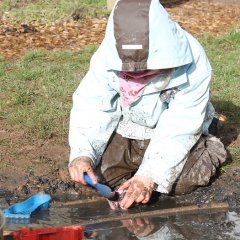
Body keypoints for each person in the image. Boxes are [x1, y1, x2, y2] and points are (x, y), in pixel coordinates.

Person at [68, 0, 227, 209]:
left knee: (180, 182)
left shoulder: (194, 60)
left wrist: (149, 175)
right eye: (130, 71)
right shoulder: (105, 57)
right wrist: (83, 153)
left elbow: (179, 125)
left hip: (174, 127)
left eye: (143, 71)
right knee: (96, 175)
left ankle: (210, 141)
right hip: (132, 125)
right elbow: (94, 105)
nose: (135, 76)